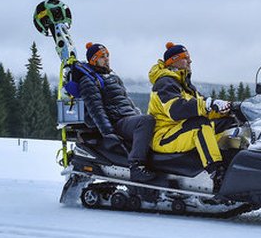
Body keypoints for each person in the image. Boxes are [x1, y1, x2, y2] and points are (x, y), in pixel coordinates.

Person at [147, 42, 234, 192]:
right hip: (164, 136)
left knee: (227, 123)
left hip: (179, 130)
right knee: (200, 125)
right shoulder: (165, 83)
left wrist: (225, 109)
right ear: (174, 61)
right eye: (185, 58)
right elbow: (176, 110)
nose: (190, 61)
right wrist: (208, 104)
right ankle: (217, 174)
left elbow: (202, 106)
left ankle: (234, 162)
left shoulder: (183, 84)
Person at [71, 42, 156, 182]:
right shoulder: (88, 81)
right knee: (147, 121)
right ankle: (136, 166)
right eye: (102, 56)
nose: (107, 58)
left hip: (128, 118)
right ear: (93, 60)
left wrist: (136, 113)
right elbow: (96, 110)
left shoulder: (112, 77)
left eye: (107, 55)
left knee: (152, 120)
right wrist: (108, 133)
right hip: (117, 122)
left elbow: (127, 101)